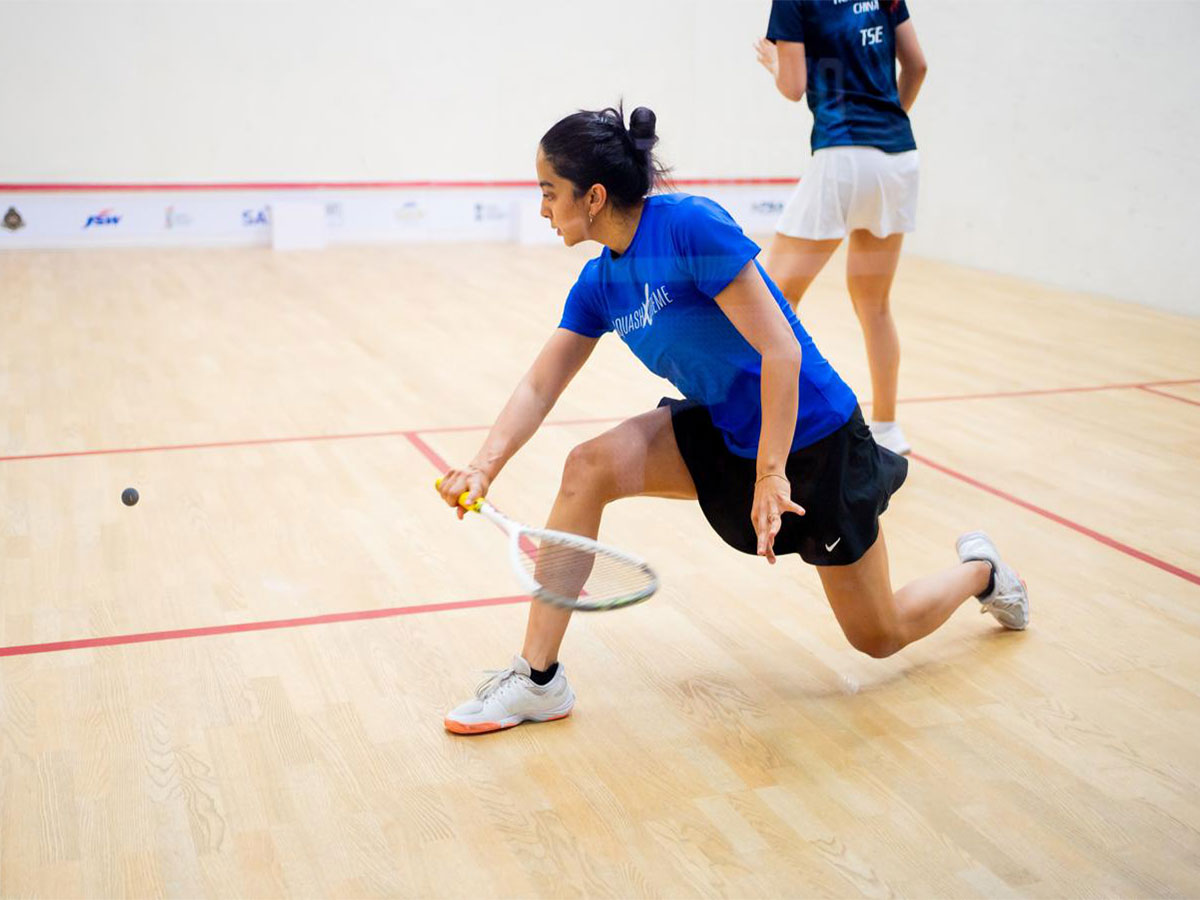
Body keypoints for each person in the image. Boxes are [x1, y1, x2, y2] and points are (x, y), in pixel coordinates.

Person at [436, 105, 1026, 736]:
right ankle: (538, 679)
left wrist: (772, 473)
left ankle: (983, 572)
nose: (543, 209)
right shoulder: (598, 284)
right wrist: (483, 466)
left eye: (550, 192)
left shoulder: (689, 227)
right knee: (589, 467)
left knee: (879, 635)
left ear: (595, 196)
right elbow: (539, 385)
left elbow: (781, 351)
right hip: (725, 425)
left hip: (815, 436)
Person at [754, 0, 927, 455]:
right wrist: (887, 121)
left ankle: (779, 430)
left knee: (770, 300)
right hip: (898, 158)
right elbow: (917, 65)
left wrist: (774, 63)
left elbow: (793, 87)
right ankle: (888, 428)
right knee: (875, 304)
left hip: (842, 157)